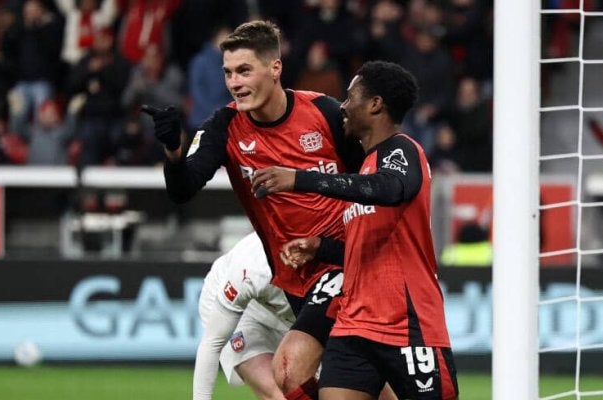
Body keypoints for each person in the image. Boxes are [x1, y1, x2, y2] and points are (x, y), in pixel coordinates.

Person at [141, 20, 366, 400]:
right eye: (228, 72)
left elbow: (368, 183)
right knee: (315, 384)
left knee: (315, 377)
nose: (234, 82)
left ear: (275, 68)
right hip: (295, 279)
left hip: (347, 266)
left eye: (244, 70)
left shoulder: (324, 113)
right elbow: (182, 190)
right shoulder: (224, 126)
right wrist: (173, 150)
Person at [252, 61, 459, 399]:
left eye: (350, 98)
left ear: (375, 104)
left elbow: (390, 189)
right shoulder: (363, 169)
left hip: (406, 324)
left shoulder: (402, 149)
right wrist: (320, 247)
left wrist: (300, 179)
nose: (343, 106)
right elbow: (368, 249)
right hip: (353, 326)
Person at [195, 232, 294, 400]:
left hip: (288, 319)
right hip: (242, 311)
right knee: (280, 395)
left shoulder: (332, 262)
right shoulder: (251, 269)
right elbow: (212, 343)